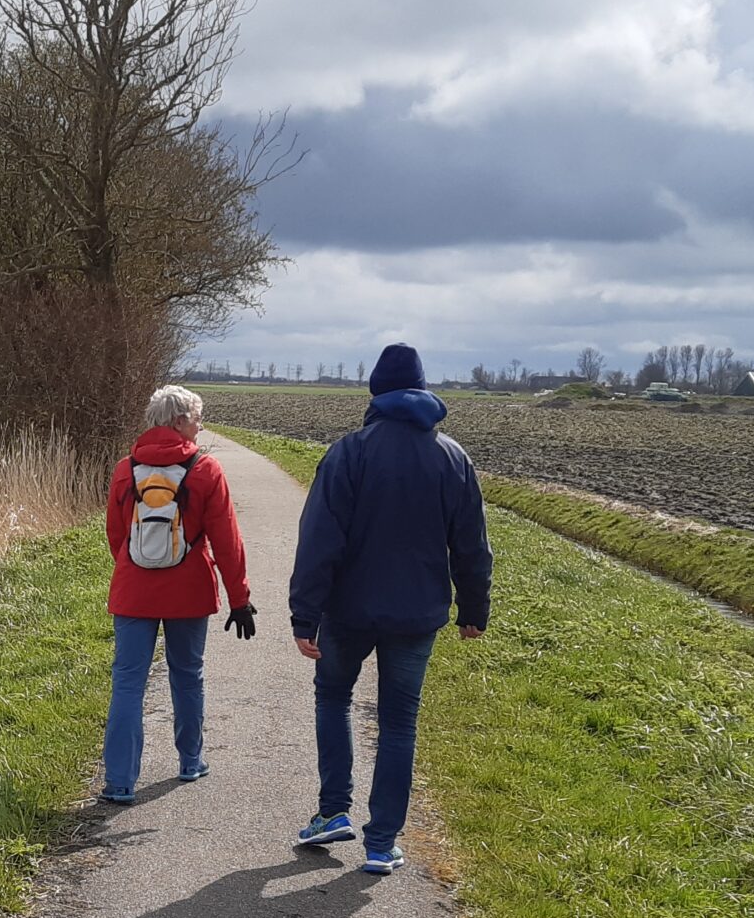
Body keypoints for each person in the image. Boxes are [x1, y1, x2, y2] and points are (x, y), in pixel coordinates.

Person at [287, 344, 491, 875]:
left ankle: (333, 811)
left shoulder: (348, 453)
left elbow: (318, 540)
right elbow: (471, 543)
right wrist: (474, 607)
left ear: (376, 392)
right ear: (423, 392)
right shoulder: (453, 458)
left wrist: (304, 614)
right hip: (417, 613)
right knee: (399, 721)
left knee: (333, 697)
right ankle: (381, 843)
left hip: (347, 611)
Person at [102, 383, 255, 804]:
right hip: (188, 590)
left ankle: (119, 781)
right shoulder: (205, 470)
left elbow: (117, 536)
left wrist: (138, 567)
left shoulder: (124, 468)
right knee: (187, 674)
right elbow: (227, 540)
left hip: (133, 592)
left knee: (128, 682)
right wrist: (239, 597)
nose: (200, 426)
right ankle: (190, 760)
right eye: (196, 418)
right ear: (178, 421)